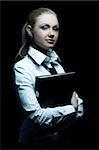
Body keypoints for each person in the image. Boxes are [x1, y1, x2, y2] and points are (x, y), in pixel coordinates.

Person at [13, 7, 84, 148]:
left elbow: (79, 105)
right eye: (45, 28)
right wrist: (71, 109)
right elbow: (37, 117)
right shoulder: (23, 67)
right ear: (30, 30)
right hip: (34, 143)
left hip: (62, 141)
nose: (52, 34)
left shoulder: (56, 63)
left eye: (55, 28)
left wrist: (72, 109)